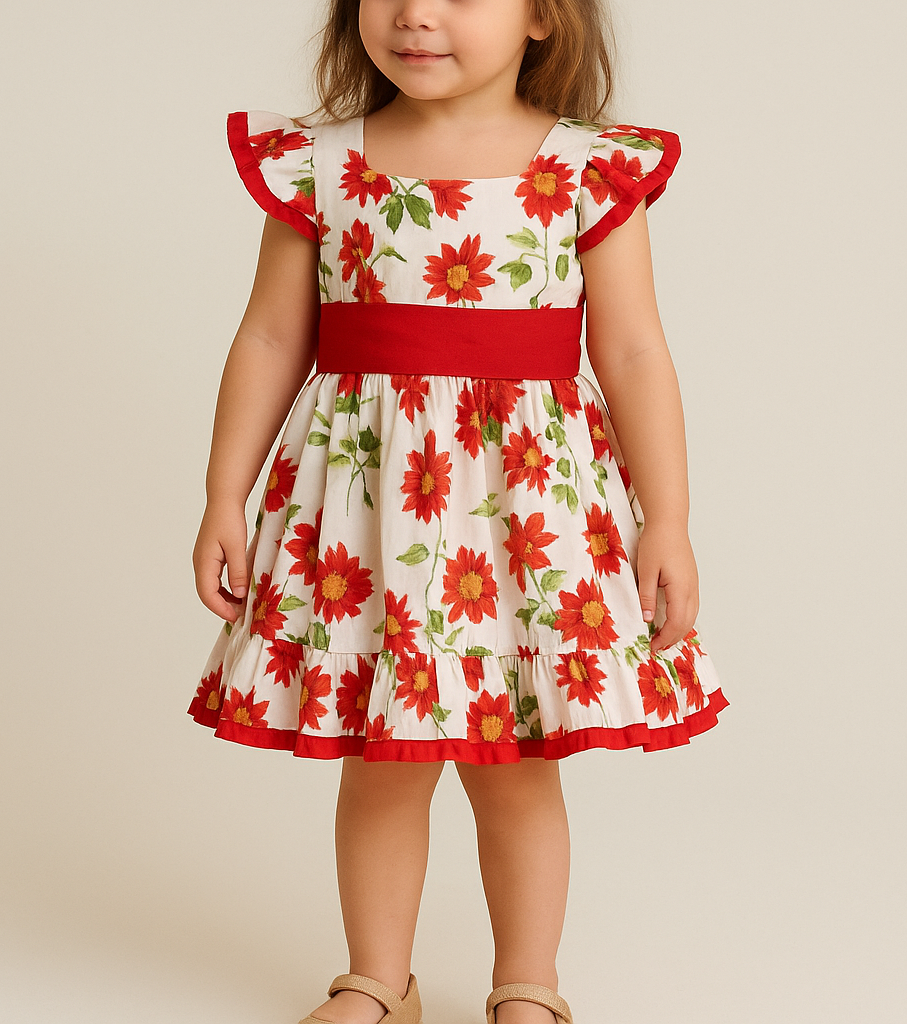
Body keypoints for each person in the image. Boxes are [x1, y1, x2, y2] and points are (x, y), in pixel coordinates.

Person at [189, 2, 729, 1022]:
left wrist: (668, 516)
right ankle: (378, 979)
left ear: (542, 17)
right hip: (369, 514)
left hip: (522, 515)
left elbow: (632, 351)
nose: (416, 14)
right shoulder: (320, 166)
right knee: (381, 761)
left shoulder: (585, 169)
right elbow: (268, 337)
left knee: (516, 762)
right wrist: (225, 492)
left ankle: (528, 985)